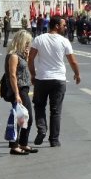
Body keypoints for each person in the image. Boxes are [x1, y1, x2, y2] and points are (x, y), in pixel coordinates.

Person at [27, 15, 81, 147]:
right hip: (59, 80)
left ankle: (42, 129)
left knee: (39, 106)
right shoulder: (64, 41)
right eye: (64, 25)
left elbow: (30, 58)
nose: (65, 27)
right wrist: (77, 74)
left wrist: (33, 74)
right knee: (56, 111)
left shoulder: (39, 39)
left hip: (42, 78)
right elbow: (72, 61)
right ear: (57, 26)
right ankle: (54, 140)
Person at [6, 30, 38, 155]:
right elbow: (12, 76)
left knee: (24, 117)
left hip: (24, 88)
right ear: (21, 42)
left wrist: (27, 56)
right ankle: (15, 146)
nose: (28, 45)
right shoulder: (13, 56)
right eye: (26, 43)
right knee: (22, 117)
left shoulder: (21, 55)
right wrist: (17, 94)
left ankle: (23, 144)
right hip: (18, 89)